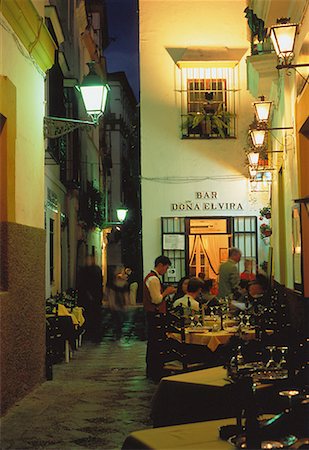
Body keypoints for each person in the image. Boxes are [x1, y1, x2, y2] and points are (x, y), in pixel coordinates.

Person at [143, 255, 176, 381]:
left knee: (153, 343)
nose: (166, 271)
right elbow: (156, 299)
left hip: (151, 313)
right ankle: (155, 371)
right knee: (156, 344)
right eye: (166, 268)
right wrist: (167, 292)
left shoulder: (150, 277)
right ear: (161, 265)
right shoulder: (154, 280)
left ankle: (152, 370)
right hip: (155, 314)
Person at [77, 255, 103, 343]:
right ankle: (94, 335)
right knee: (93, 316)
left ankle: (94, 335)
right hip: (92, 298)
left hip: (93, 298)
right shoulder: (91, 270)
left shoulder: (92, 270)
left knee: (94, 317)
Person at [105, 265, 130, 340]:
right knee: (116, 318)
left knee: (119, 318)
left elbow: (125, 293)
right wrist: (111, 302)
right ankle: (117, 333)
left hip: (120, 302)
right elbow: (110, 293)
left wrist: (126, 302)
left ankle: (117, 333)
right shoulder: (113, 282)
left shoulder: (123, 282)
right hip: (116, 301)